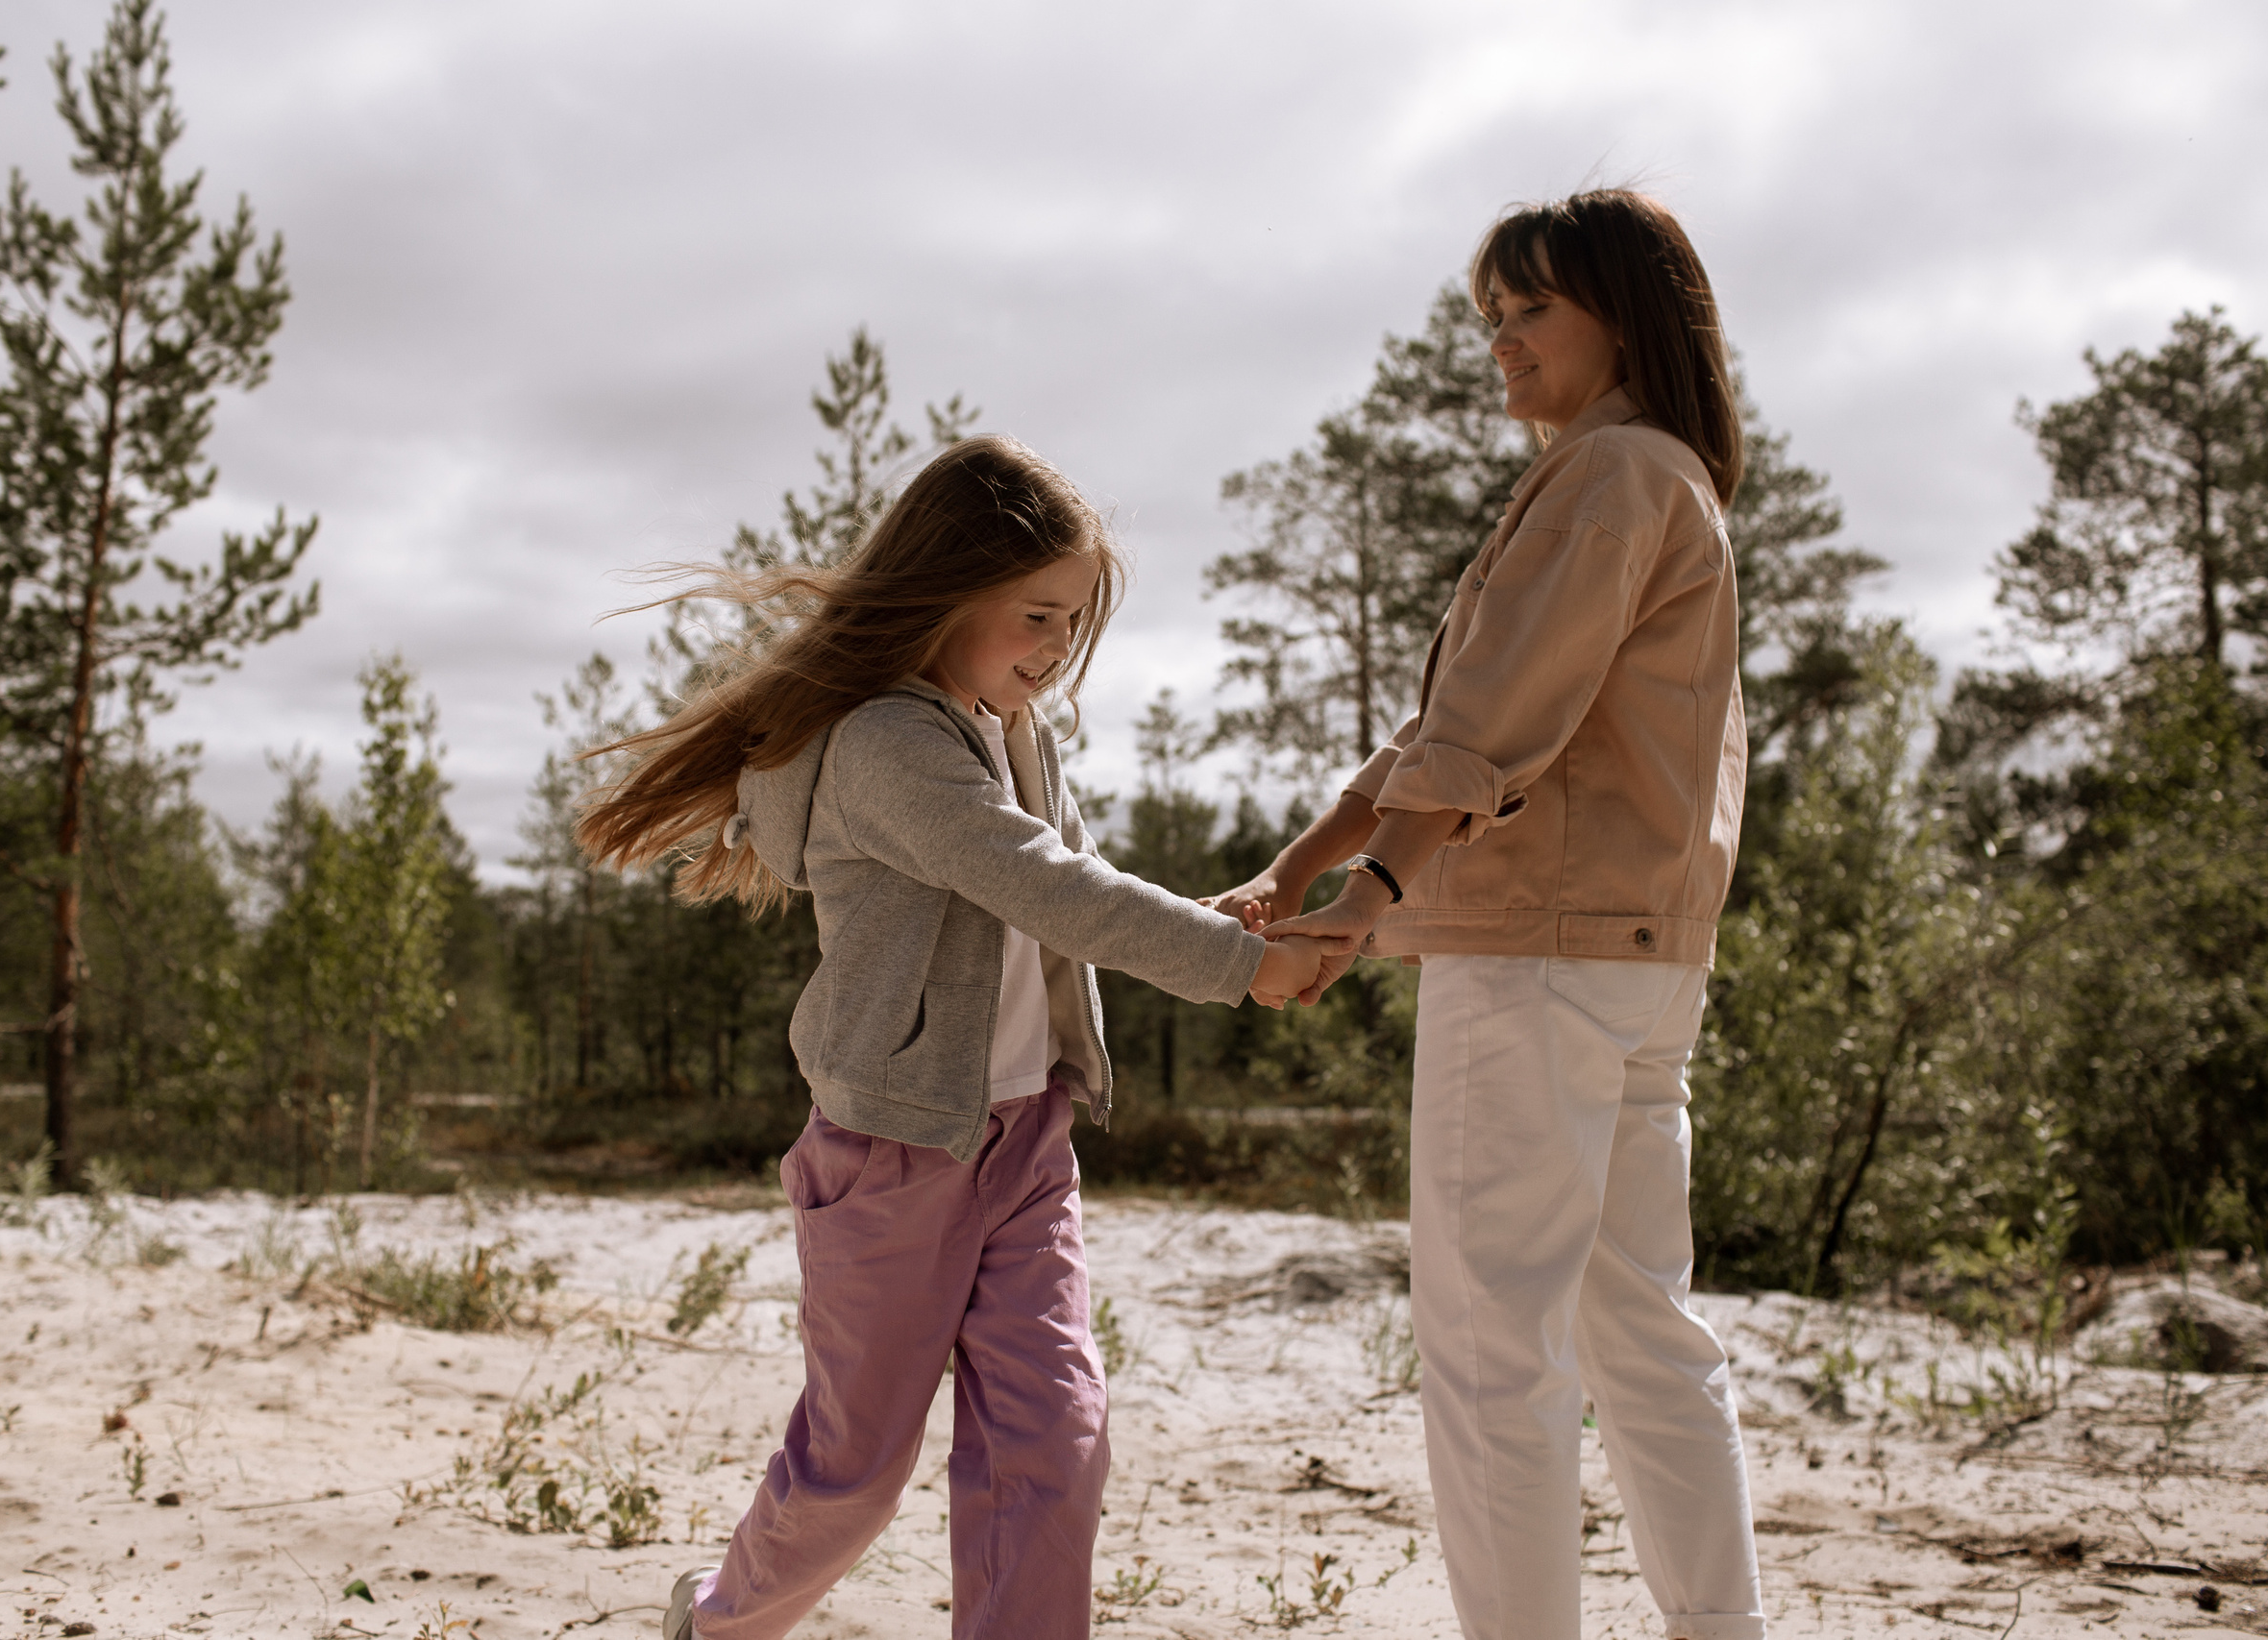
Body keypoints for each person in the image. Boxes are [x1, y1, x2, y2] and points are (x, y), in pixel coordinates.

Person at [577, 434, 1335, 1640]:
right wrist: (1240, 968)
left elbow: (1072, 878)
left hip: (1026, 1144)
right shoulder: (886, 743)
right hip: (894, 1153)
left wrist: (1218, 919)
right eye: (1036, 617)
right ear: (943, 594)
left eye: (1072, 627)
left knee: (1057, 1443)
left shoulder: (1010, 726)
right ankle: (719, 1622)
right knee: (855, 1471)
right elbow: (1043, 885)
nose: (1053, 653)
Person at [1219, 189, 1766, 1640]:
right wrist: (1303, 863)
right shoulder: (1663, 479)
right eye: (1493, 318)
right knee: (1645, 1334)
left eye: (1532, 310)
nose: (1504, 345)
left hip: (1533, 957)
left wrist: (1371, 891)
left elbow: (1485, 728)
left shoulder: (1608, 477)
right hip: (1638, 962)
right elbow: (1440, 733)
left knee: (1487, 1350)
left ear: (1624, 315)